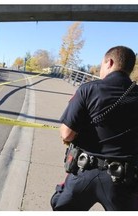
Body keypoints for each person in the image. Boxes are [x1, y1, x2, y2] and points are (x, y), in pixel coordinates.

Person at [50, 46, 138, 211]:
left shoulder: (88, 89)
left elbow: (67, 134)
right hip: (124, 181)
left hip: (84, 172)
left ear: (109, 62)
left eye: (101, 65)